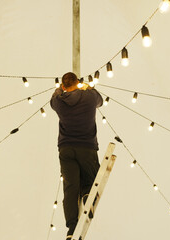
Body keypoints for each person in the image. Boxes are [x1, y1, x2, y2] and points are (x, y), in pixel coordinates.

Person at [50, 72, 103, 240]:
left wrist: (60, 89)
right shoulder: (90, 97)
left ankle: (71, 228)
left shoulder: (59, 102)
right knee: (90, 179)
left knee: (70, 187)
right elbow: (100, 100)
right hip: (87, 147)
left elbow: (53, 98)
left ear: (64, 86)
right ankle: (87, 195)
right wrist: (85, 86)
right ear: (77, 82)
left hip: (66, 148)